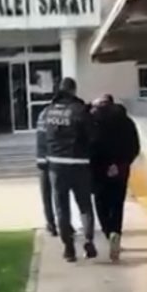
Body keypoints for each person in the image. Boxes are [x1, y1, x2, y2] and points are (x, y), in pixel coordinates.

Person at [43, 77, 96, 262]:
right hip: (79, 164)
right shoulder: (80, 110)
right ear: (73, 90)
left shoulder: (49, 111)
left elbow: (44, 137)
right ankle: (88, 240)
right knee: (85, 205)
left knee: (61, 208)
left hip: (56, 166)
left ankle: (68, 248)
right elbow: (92, 135)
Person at [91, 94, 140, 262]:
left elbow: (90, 145)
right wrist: (121, 163)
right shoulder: (127, 122)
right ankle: (116, 232)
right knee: (117, 204)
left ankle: (107, 231)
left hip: (99, 169)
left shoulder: (93, 121)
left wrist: (100, 165)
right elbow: (135, 147)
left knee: (100, 202)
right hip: (121, 169)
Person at [36, 107, 57, 237]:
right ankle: (62, 224)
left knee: (47, 194)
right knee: (60, 195)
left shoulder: (44, 114)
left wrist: (40, 159)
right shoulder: (67, 112)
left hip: (45, 159)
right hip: (59, 160)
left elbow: (40, 138)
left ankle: (51, 223)